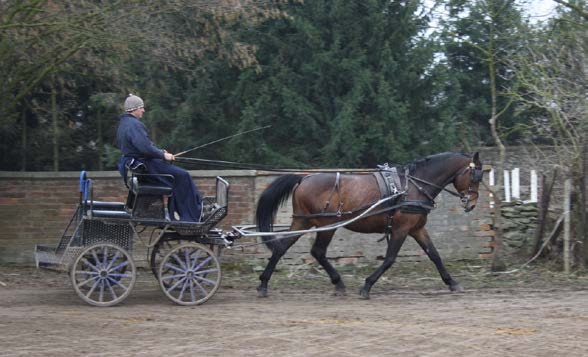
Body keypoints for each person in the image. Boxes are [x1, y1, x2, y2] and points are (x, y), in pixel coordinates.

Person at [116, 94, 202, 222]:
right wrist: (163, 155)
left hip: (141, 164)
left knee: (179, 174)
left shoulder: (125, 123)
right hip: (146, 166)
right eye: (141, 108)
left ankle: (178, 213)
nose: (143, 110)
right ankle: (190, 217)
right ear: (134, 109)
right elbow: (145, 148)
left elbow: (143, 147)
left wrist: (161, 152)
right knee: (183, 176)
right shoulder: (134, 124)